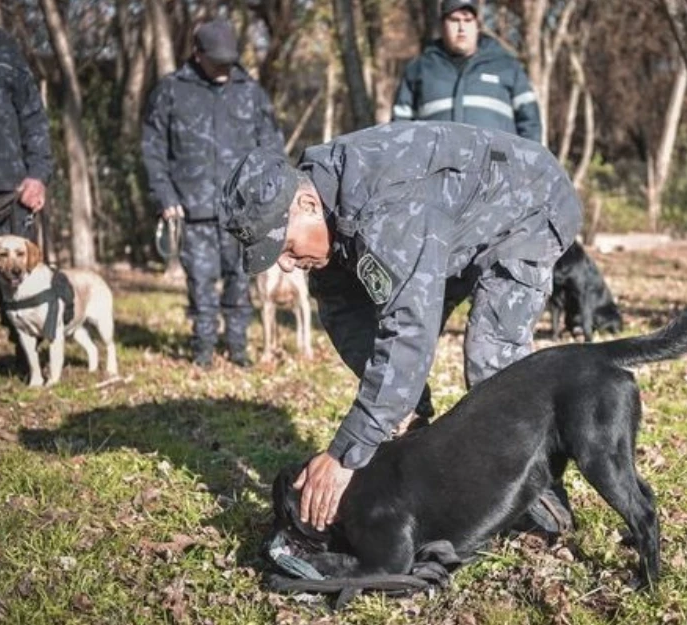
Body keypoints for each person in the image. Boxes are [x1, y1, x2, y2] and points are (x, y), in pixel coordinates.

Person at [220, 121, 582, 532]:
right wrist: (403, 411)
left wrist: (345, 453)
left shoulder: (386, 208)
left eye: (285, 247)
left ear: (306, 203)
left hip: (529, 203)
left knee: (491, 360)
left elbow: (409, 331)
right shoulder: (329, 206)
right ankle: (420, 450)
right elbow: (346, 316)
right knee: (400, 386)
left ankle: (544, 506)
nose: (286, 265)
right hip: (454, 222)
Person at [142, 18, 284, 368]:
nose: (224, 68)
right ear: (197, 54)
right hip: (192, 209)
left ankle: (238, 348)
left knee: (240, 282)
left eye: (229, 61)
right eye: (217, 61)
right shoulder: (171, 91)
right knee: (201, 284)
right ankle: (203, 349)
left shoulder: (251, 92)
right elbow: (152, 149)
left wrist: (268, 195)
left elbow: (272, 147)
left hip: (242, 209)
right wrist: (165, 197)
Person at [0, 19, 53, 373]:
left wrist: (38, 175)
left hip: (6, 189)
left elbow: (33, 118)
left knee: (16, 278)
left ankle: (27, 358)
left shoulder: (6, 51)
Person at [392, 0, 542, 143]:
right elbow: (399, 131)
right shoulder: (419, 69)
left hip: (496, 161)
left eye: (468, 20)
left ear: (477, 25)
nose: (461, 28)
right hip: (437, 162)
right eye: (454, 20)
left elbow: (530, 125)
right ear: (442, 25)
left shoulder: (508, 67)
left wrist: (525, 160)